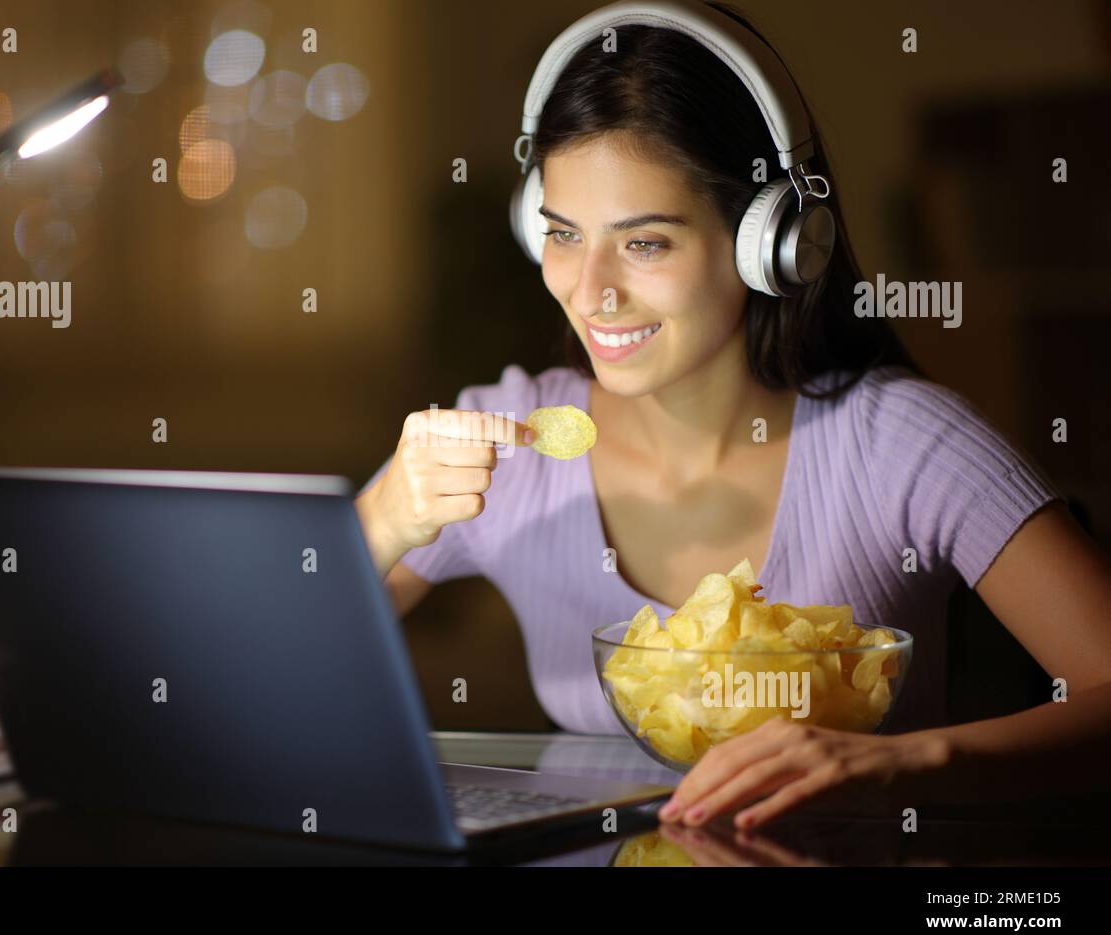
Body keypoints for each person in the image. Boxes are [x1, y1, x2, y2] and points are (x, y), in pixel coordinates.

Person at [355, 3, 1111, 831]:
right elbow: (238, 683)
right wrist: (381, 521)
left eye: (645, 243)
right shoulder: (508, 440)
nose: (591, 290)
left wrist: (903, 762)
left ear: (775, 242)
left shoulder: (903, 442)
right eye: (564, 235)